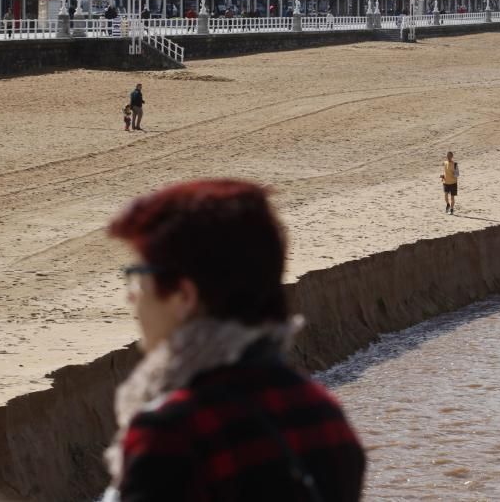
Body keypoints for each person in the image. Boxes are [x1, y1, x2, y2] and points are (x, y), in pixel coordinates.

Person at [102, 180, 366, 501]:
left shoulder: (170, 431)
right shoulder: (323, 412)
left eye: (138, 276)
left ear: (184, 295)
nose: (132, 297)